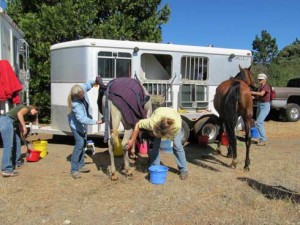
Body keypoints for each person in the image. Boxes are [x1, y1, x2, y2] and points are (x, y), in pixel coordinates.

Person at [126, 107, 188, 180]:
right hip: (158, 112)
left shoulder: (176, 127)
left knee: (177, 146)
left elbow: (171, 136)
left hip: (174, 116)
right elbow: (138, 124)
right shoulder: (152, 123)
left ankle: (183, 169)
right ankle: (154, 168)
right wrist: (132, 139)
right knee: (154, 146)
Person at [67, 79, 103, 179]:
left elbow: (88, 84)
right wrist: (97, 122)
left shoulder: (81, 89)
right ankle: (74, 169)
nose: (83, 96)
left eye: (83, 93)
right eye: (81, 96)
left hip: (82, 125)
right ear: (76, 96)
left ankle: (81, 165)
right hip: (76, 126)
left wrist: (96, 80)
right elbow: (82, 119)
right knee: (79, 144)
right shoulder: (75, 104)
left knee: (83, 143)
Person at [0, 105, 39, 177]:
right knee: (8, 145)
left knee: (17, 140)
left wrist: (23, 137)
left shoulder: (22, 115)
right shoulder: (27, 108)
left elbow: (20, 127)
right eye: (35, 112)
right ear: (33, 108)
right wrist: (25, 126)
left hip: (7, 121)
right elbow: (19, 114)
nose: (35, 114)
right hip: (6, 120)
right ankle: (6, 170)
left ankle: (17, 163)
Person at [251, 73, 271, 146]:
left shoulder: (266, 87)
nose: (259, 80)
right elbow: (259, 96)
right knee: (259, 123)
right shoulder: (260, 87)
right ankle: (260, 139)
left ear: (265, 80)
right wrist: (254, 97)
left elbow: (262, 94)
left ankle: (263, 140)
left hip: (265, 106)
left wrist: (252, 92)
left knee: (258, 123)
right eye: (259, 79)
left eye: (261, 79)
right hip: (260, 105)